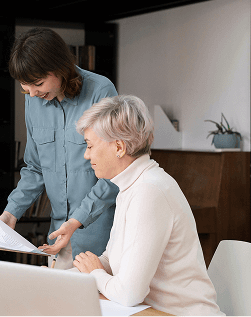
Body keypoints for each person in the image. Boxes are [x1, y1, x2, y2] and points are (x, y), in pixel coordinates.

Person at [72, 95, 224, 316]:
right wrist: (66, 277)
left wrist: (94, 272)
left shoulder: (149, 191)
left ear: (119, 147)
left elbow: (128, 294)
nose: (87, 155)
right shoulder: (132, 185)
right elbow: (111, 260)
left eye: (90, 146)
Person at [0, 27, 120, 269]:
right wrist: (10, 213)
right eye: (26, 87)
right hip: (59, 237)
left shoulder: (100, 91)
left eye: (39, 83)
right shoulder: (33, 100)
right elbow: (35, 167)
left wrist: (78, 219)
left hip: (102, 236)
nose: (32, 93)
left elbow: (115, 170)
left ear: (60, 68)